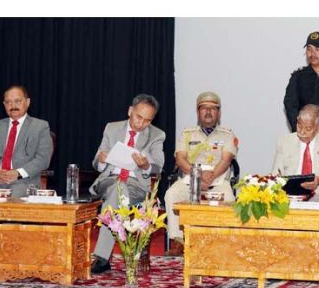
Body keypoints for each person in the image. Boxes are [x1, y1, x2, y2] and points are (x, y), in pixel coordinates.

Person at [90, 94, 165, 274]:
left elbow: (158, 167)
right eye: (139, 117)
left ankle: (102, 257)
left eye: (147, 120)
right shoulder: (112, 128)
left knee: (120, 189)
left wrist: (146, 165)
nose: (141, 124)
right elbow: (96, 164)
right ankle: (114, 246)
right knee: (118, 186)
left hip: (137, 186)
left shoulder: (157, 135)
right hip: (108, 180)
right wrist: (101, 160)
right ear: (130, 111)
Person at [164, 91, 238, 256]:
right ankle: (178, 240)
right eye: (204, 108)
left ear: (219, 113)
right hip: (190, 179)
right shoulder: (186, 133)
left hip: (217, 180)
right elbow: (180, 159)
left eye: (213, 109)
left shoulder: (228, 135)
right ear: (198, 112)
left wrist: (210, 176)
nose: (208, 112)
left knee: (229, 199)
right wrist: (197, 174)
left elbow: (226, 160)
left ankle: (223, 242)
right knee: (171, 194)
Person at [0, 85, 53, 197]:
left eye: (17, 101)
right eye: (8, 102)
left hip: (24, 181)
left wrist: (18, 173)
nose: (13, 106)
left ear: (27, 102)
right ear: (4, 105)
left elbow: (43, 159)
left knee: (15, 194)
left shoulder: (40, 126)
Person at [272, 104, 319, 207]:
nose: (302, 132)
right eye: (299, 126)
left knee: (317, 205)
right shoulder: (284, 142)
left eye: (308, 128)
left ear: (318, 128)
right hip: (290, 196)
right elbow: (275, 174)